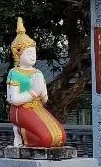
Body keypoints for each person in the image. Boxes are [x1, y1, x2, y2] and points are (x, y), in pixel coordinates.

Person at [5, 18, 66, 149]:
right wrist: (33, 92)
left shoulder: (37, 72)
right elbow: (13, 99)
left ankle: (25, 132)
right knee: (45, 139)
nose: (33, 56)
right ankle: (20, 132)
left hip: (37, 107)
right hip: (20, 109)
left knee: (60, 137)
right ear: (18, 55)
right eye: (29, 53)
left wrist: (43, 94)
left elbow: (44, 99)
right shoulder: (14, 72)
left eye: (34, 53)